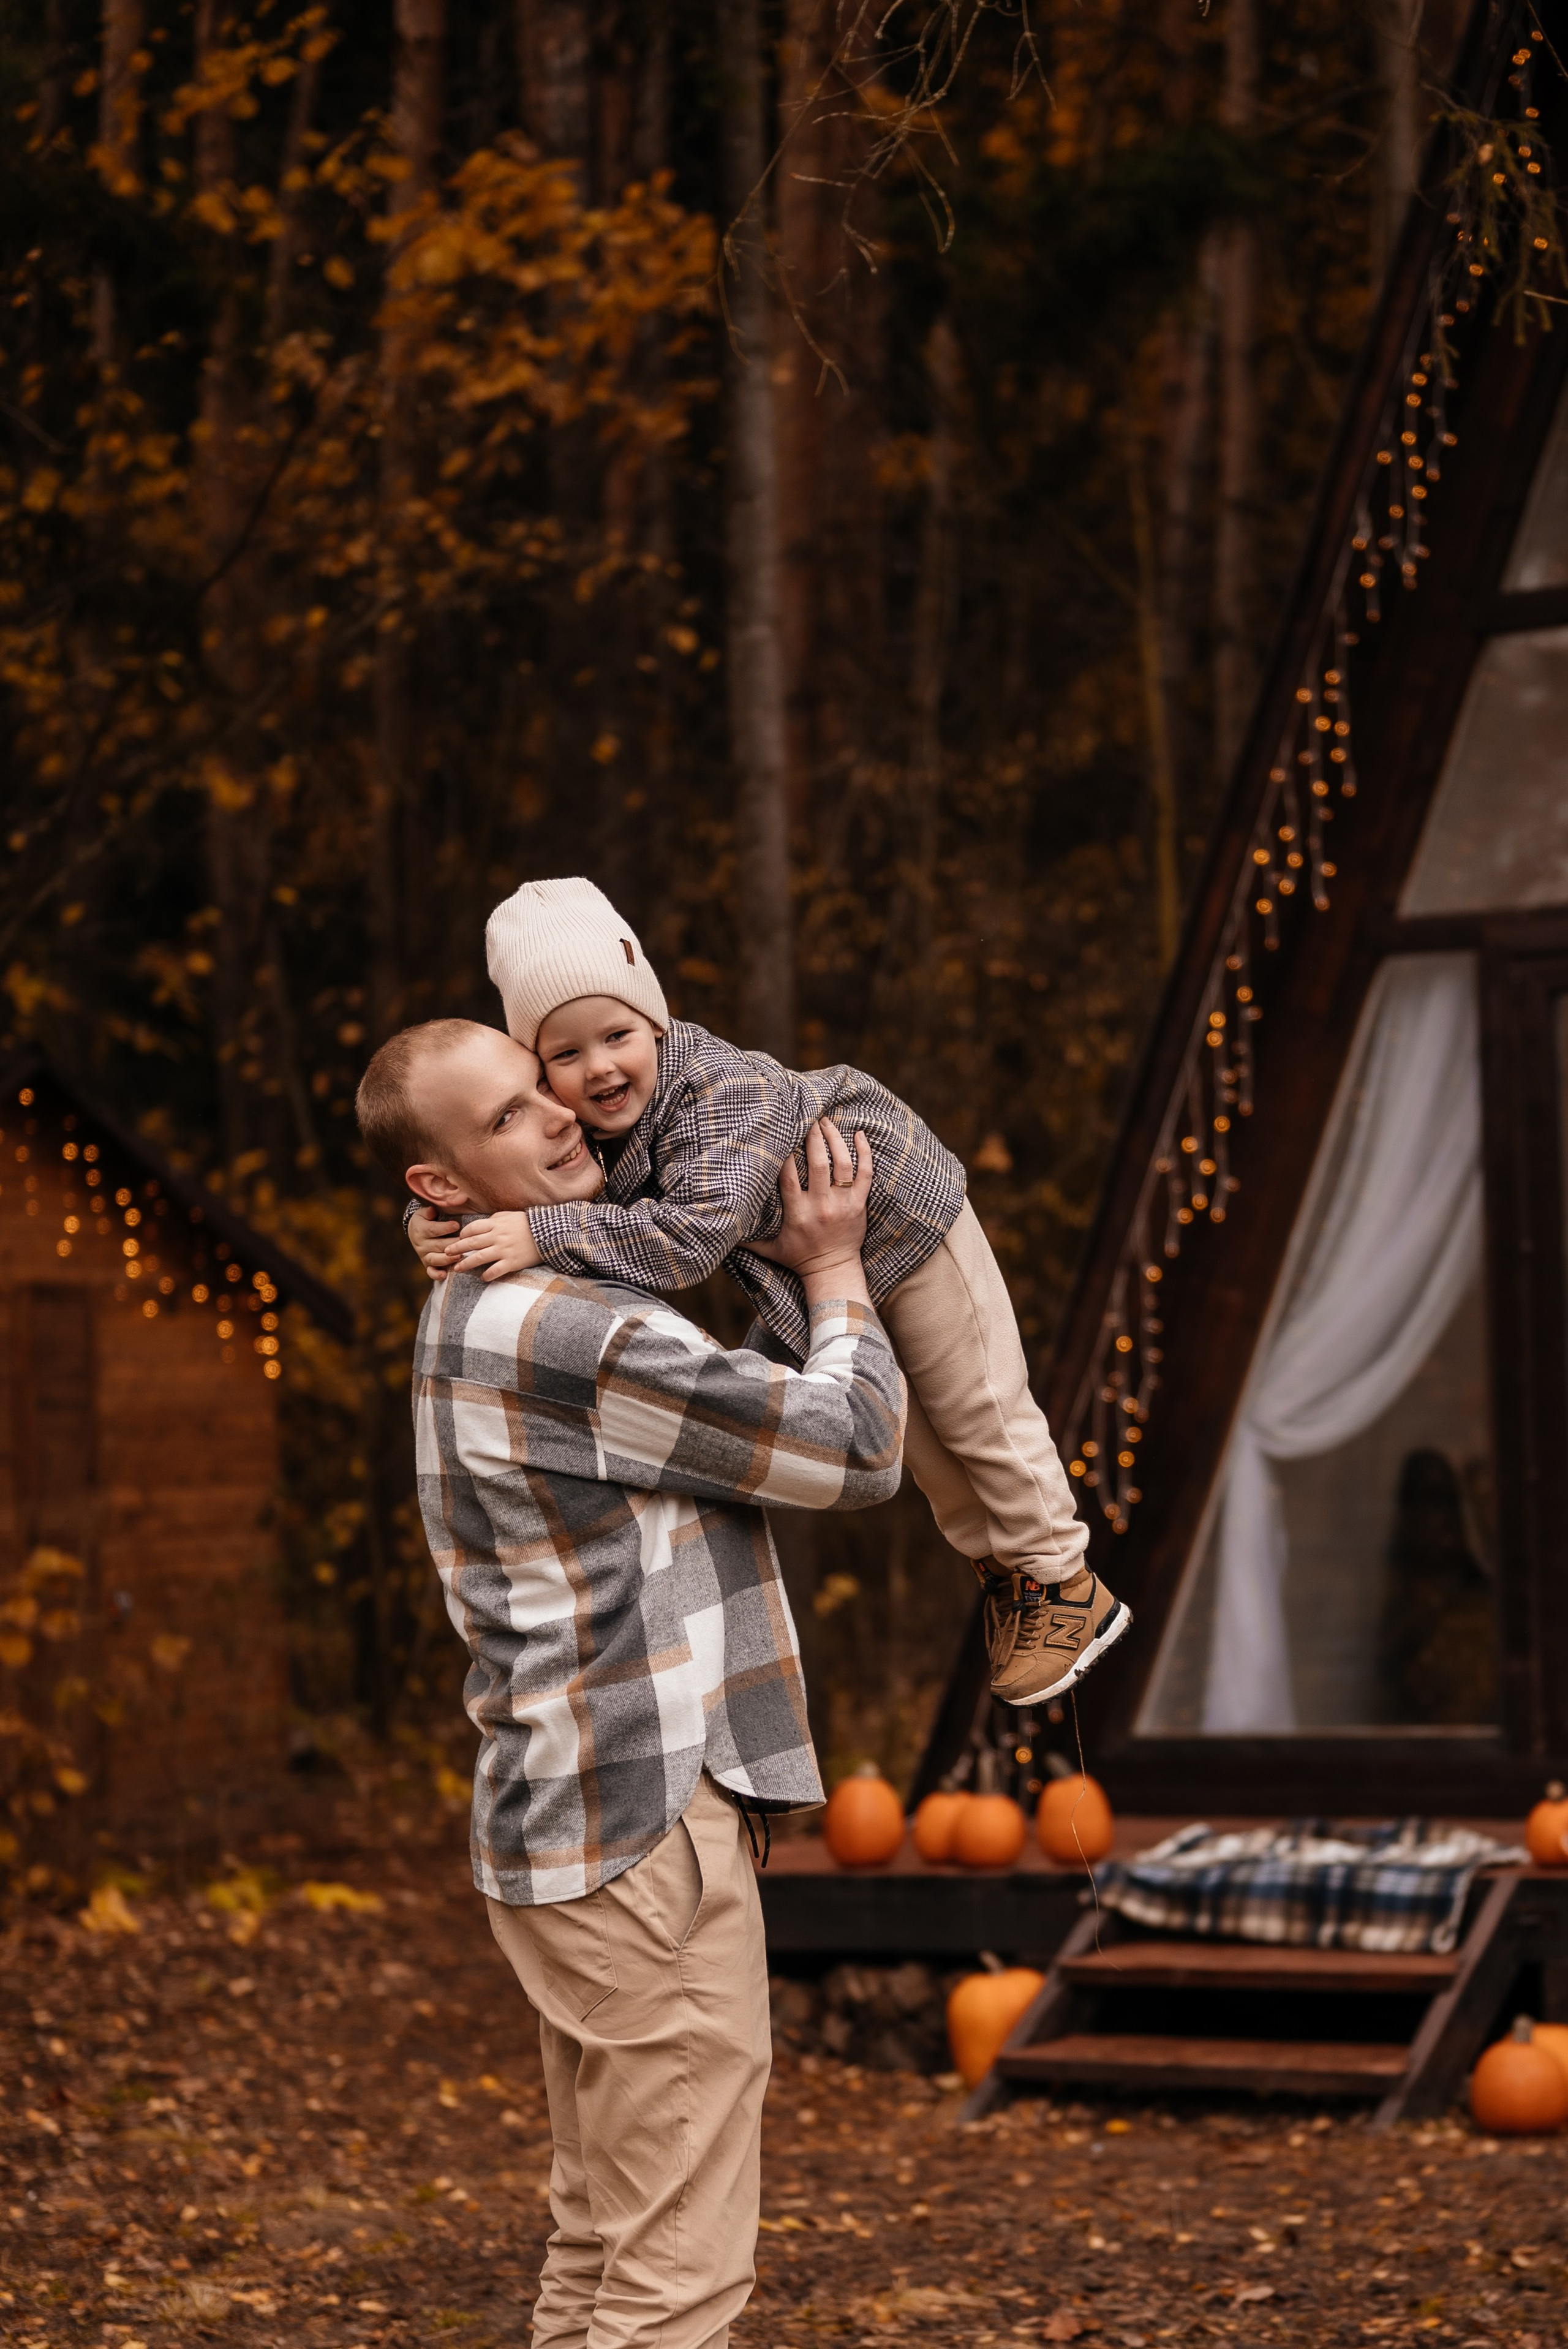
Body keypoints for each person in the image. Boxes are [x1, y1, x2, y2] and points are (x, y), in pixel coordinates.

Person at [355, 1016, 904, 2349]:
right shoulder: (563, 1331)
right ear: (437, 1187)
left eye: (538, 1090)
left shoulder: (475, 1300)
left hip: (563, 1825)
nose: (553, 1116)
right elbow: (852, 1447)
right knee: (675, 2279)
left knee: (604, 2244)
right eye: (500, 1121)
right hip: (641, 1818)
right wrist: (833, 1272)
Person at [405, 876, 1129, 1709]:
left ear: (657, 1021)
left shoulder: (721, 1094)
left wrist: (543, 1233)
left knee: (979, 1413)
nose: (599, 1068)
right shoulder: (604, 1124)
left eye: (616, 1035)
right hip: (824, 1270)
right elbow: (487, 1157)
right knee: (927, 1449)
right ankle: (1011, 1580)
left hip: (909, 1221)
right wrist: (430, 1217)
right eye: (566, 1057)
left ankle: (1066, 1580)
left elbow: (687, 1241)